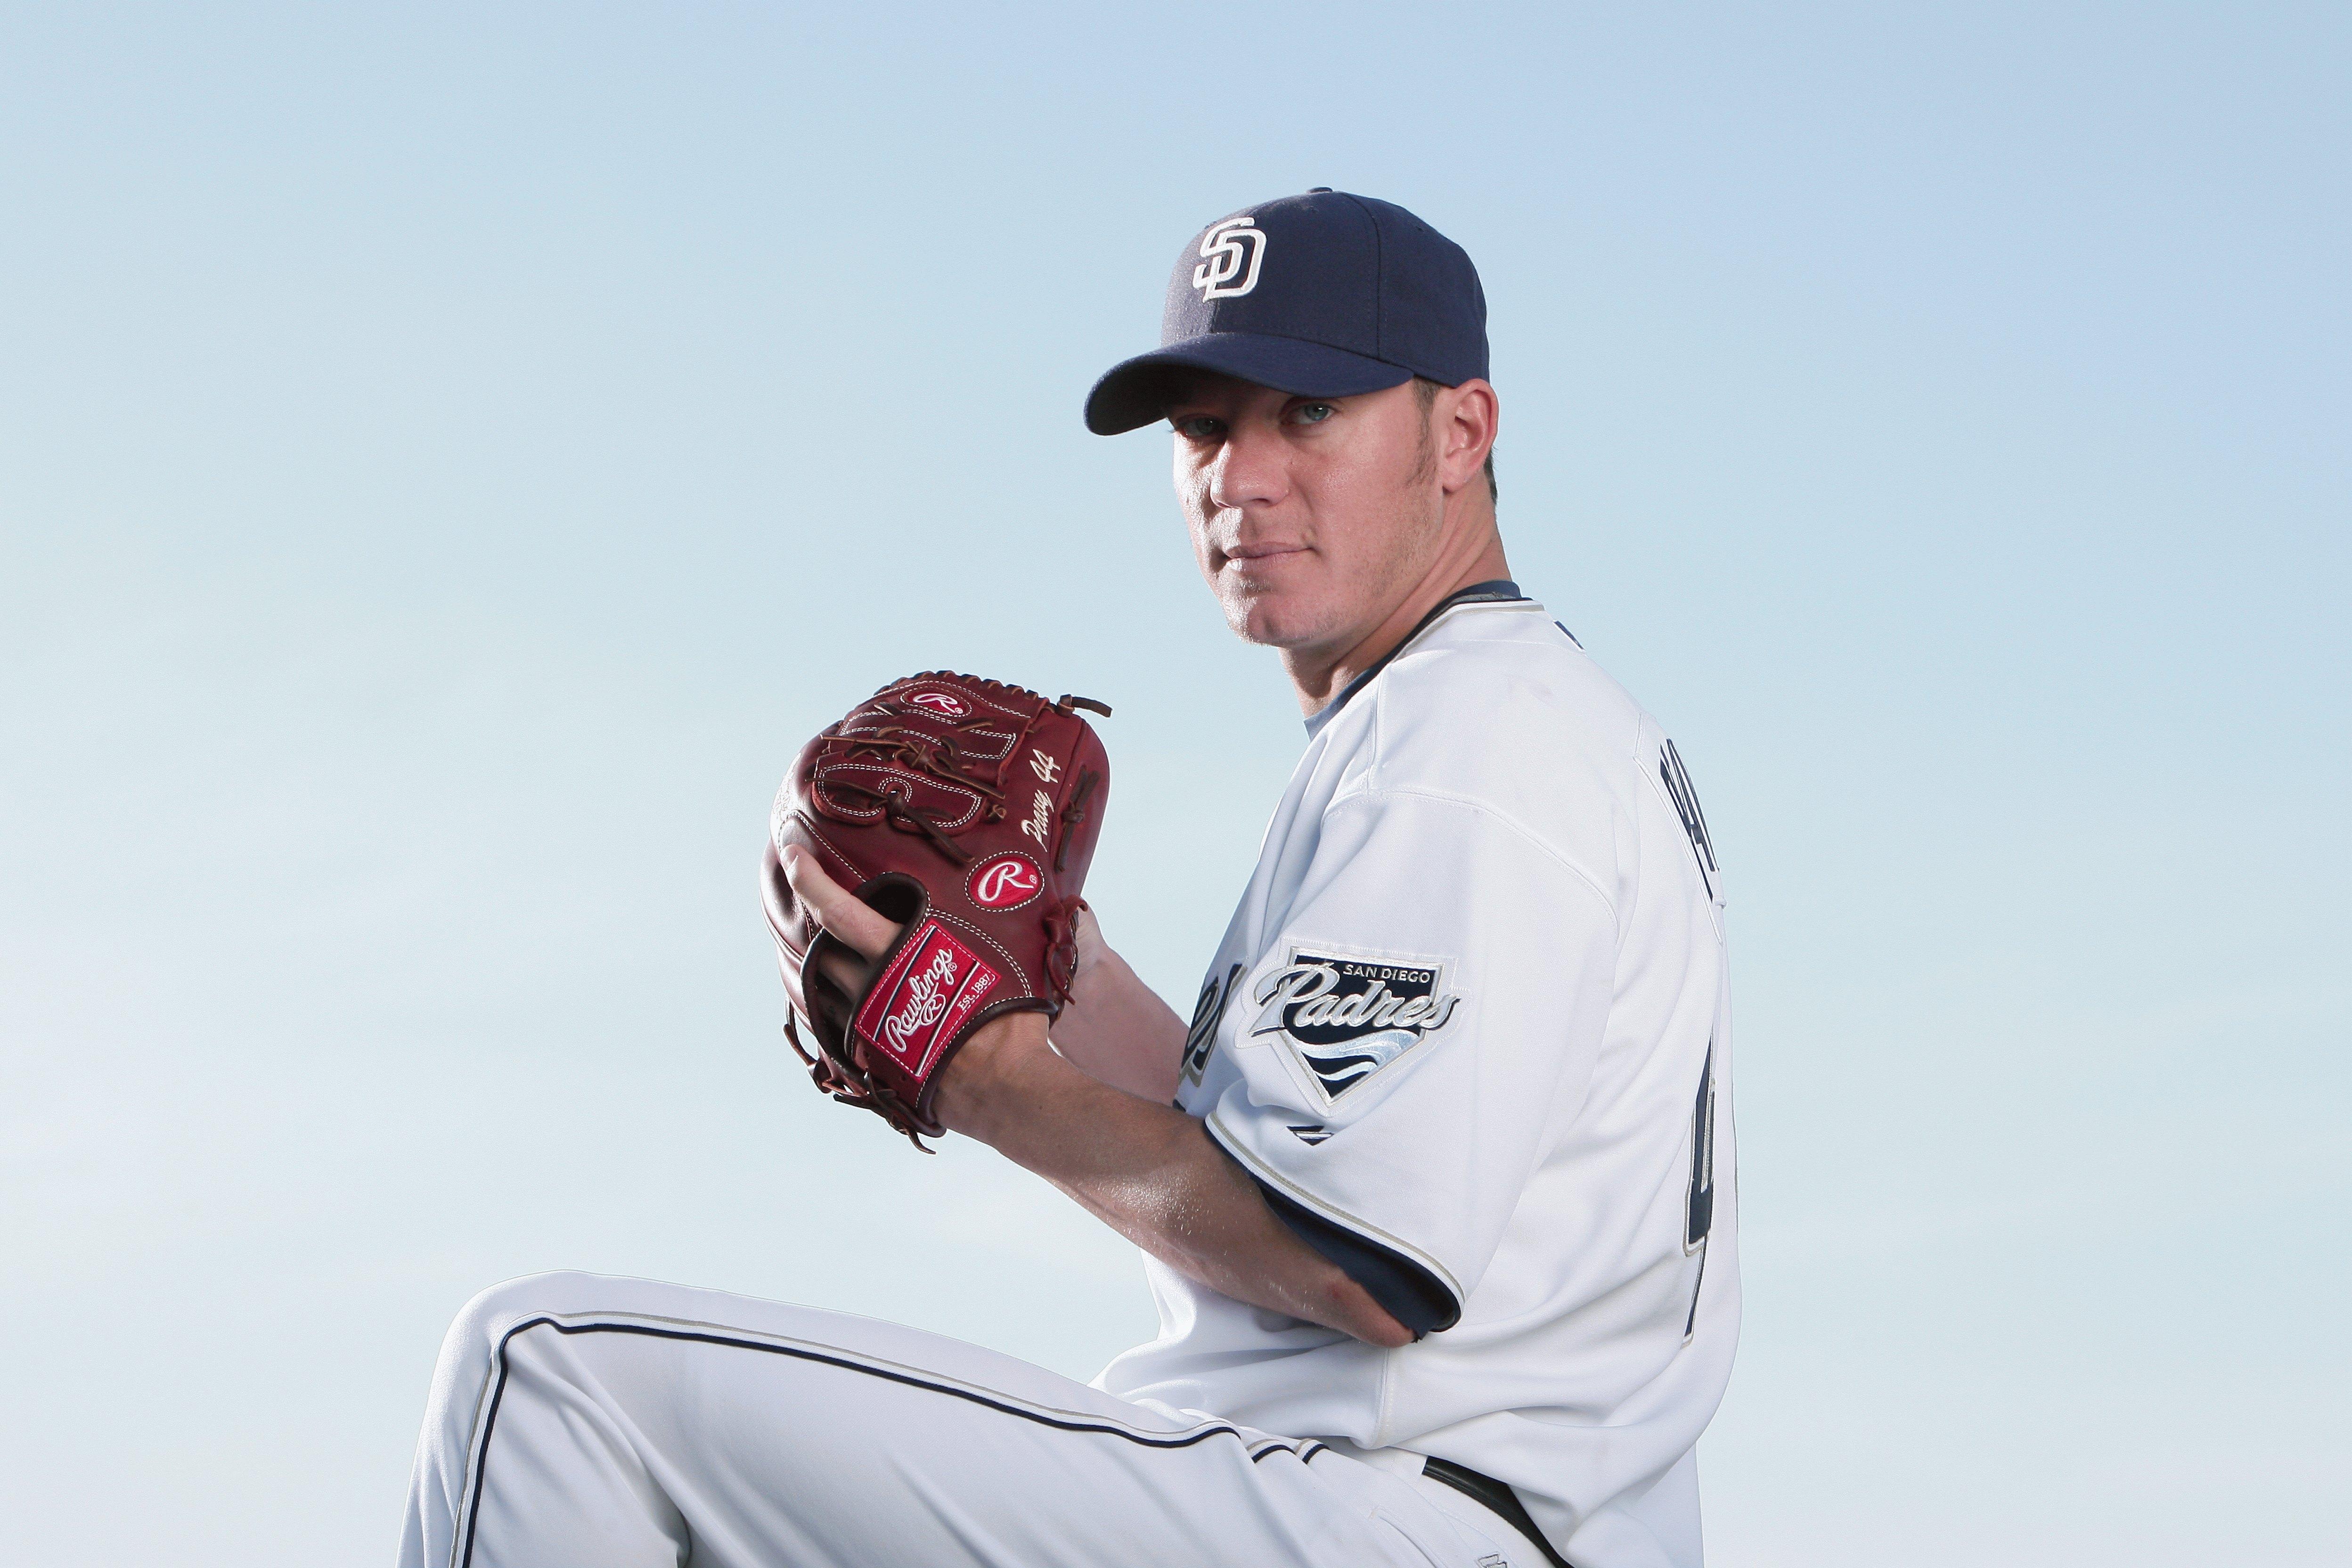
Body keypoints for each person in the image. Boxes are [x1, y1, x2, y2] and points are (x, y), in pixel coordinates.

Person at [396, 189, 1739, 1568]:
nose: (1244, 474)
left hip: (1385, 1508)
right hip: (1420, 1506)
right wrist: (1052, 961)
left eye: (1310, 413)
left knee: (551, 1373)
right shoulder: (1484, 718)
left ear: (1461, 433)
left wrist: (974, 1066)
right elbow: (1275, 1150)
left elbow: (1356, 1263)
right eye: (1208, 427)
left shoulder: (1466, 740)